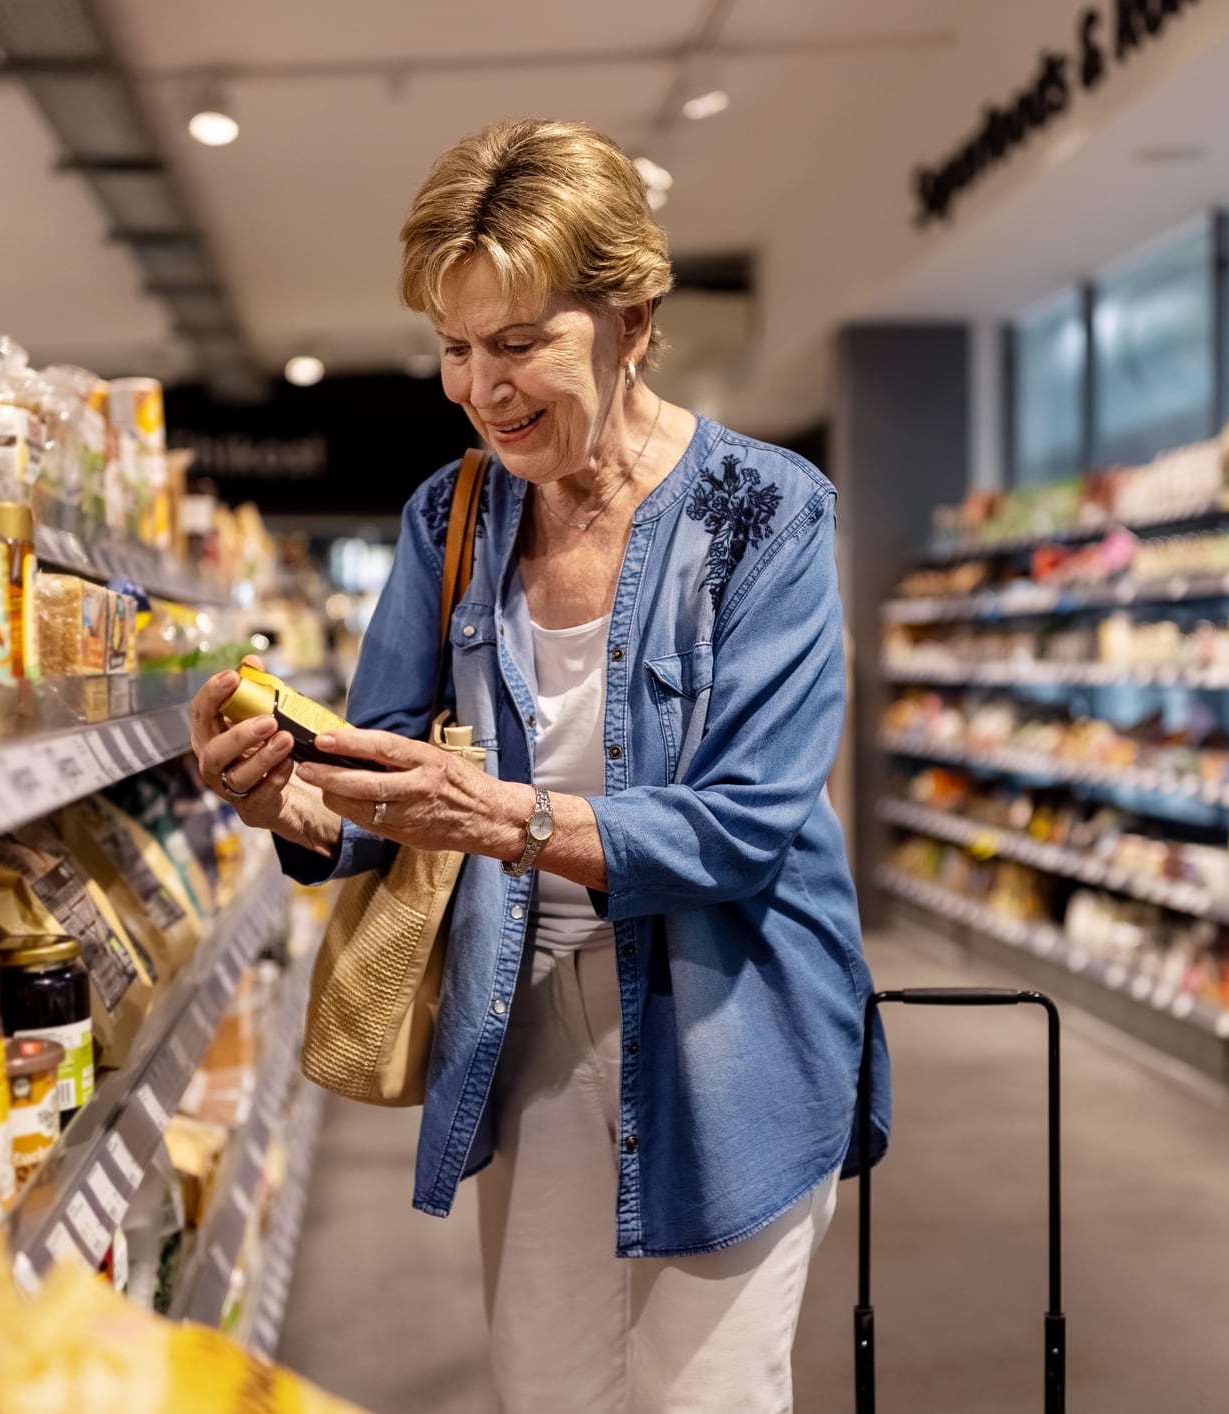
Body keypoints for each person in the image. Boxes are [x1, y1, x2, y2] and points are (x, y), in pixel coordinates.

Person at [190, 117, 887, 1414]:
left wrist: (504, 815)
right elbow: (379, 786)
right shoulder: (449, 516)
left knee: (704, 1398)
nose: (480, 386)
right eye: (454, 348)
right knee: (549, 1389)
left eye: (519, 343)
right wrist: (286, 792)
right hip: (529, 1021)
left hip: (729, 1031)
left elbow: (743, 830)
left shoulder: (766, 515)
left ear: (632, 317)